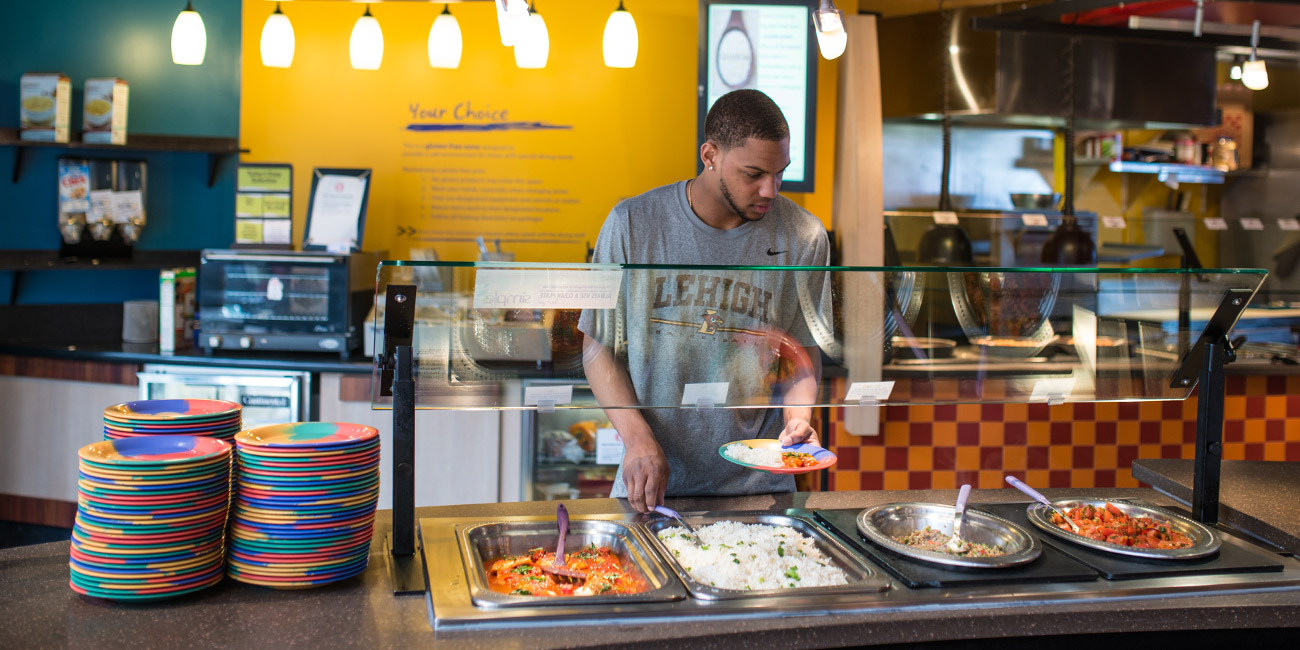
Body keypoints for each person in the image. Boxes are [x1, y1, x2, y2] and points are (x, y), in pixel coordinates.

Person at [579, 89, 832, 513]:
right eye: (753, 173)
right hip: (652, 484)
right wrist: (636, 439)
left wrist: (798, 419)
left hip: (760, 489)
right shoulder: (632, 224)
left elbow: (800, 351)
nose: (770, 190)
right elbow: (596, 346)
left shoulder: (804, 236)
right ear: (710, 154)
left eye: (780, 173)